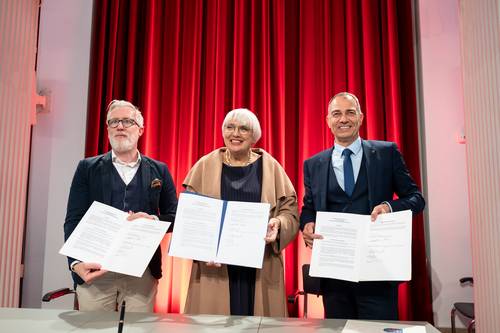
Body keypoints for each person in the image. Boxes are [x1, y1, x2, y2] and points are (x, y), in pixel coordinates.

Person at [300, 92, 425, 320]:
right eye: (336, 114)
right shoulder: (313, 164)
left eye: (350, 112)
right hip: (334, 273)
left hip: (377, 271)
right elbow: (309, 207)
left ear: (361, 117)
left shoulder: (387, 153)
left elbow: (416, 199)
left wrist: (388, 207)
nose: (343, 119)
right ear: (328, 120)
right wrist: (307, 224)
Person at [182, 108, 299, 317]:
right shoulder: (204, 165)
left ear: (254, 136)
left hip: (260, 266)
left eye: (244, 129)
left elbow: (290, 211)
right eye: (230, 127)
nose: (235, 133)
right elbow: (190, 217)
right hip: (215, 268)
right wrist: (200, 249)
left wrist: (279, 223)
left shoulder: (270, 166)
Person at [64, 99, 177, 312]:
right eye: (113, 122)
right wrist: (75, 262)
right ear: (107, 128)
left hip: (142, 273)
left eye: (127, 121)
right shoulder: (87, 168)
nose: (120, 126)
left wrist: (152, 220)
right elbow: (73, 219)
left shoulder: (159, 171)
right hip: (95, 271)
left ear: (141, 129)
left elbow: (175, 216)